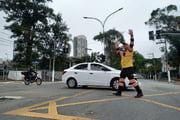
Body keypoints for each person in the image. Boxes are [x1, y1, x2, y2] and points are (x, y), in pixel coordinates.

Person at [113, 29, 143, 98]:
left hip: (129, 68)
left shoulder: (130, 51)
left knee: (132, 81)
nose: (125, 46)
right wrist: (117, 45)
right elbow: (117, 51)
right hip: (124, 68)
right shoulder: (122, 52)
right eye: (124, 45)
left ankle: (140, 92)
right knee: (121, 80)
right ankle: (119, 92)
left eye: (126, 45)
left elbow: (132, 43)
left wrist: (131, 35)